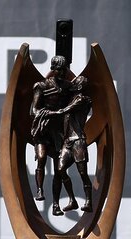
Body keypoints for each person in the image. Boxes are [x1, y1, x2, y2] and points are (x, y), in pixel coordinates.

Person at [30, 55, 77, 215]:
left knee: (59, 169)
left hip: (59, 132)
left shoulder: (68, 87)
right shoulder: (41, 86)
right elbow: (34, 110)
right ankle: (39, 190)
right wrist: (50, 113)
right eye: (59, 69)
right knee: (41, 158)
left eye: (64, 70)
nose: (62, 73)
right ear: (53, 69)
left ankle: (56, 205)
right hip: (43, 129)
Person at [54, 75, 93, 212]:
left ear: (80, 86)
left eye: (75, 83)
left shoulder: (82, 100)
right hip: (67, 142)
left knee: (82, 172)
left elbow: (65, 110)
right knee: (60, 169)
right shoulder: (71, 99)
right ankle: (72, 200)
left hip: (78, 141)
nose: (72, 84)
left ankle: (88, 201)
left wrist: (51, 112)